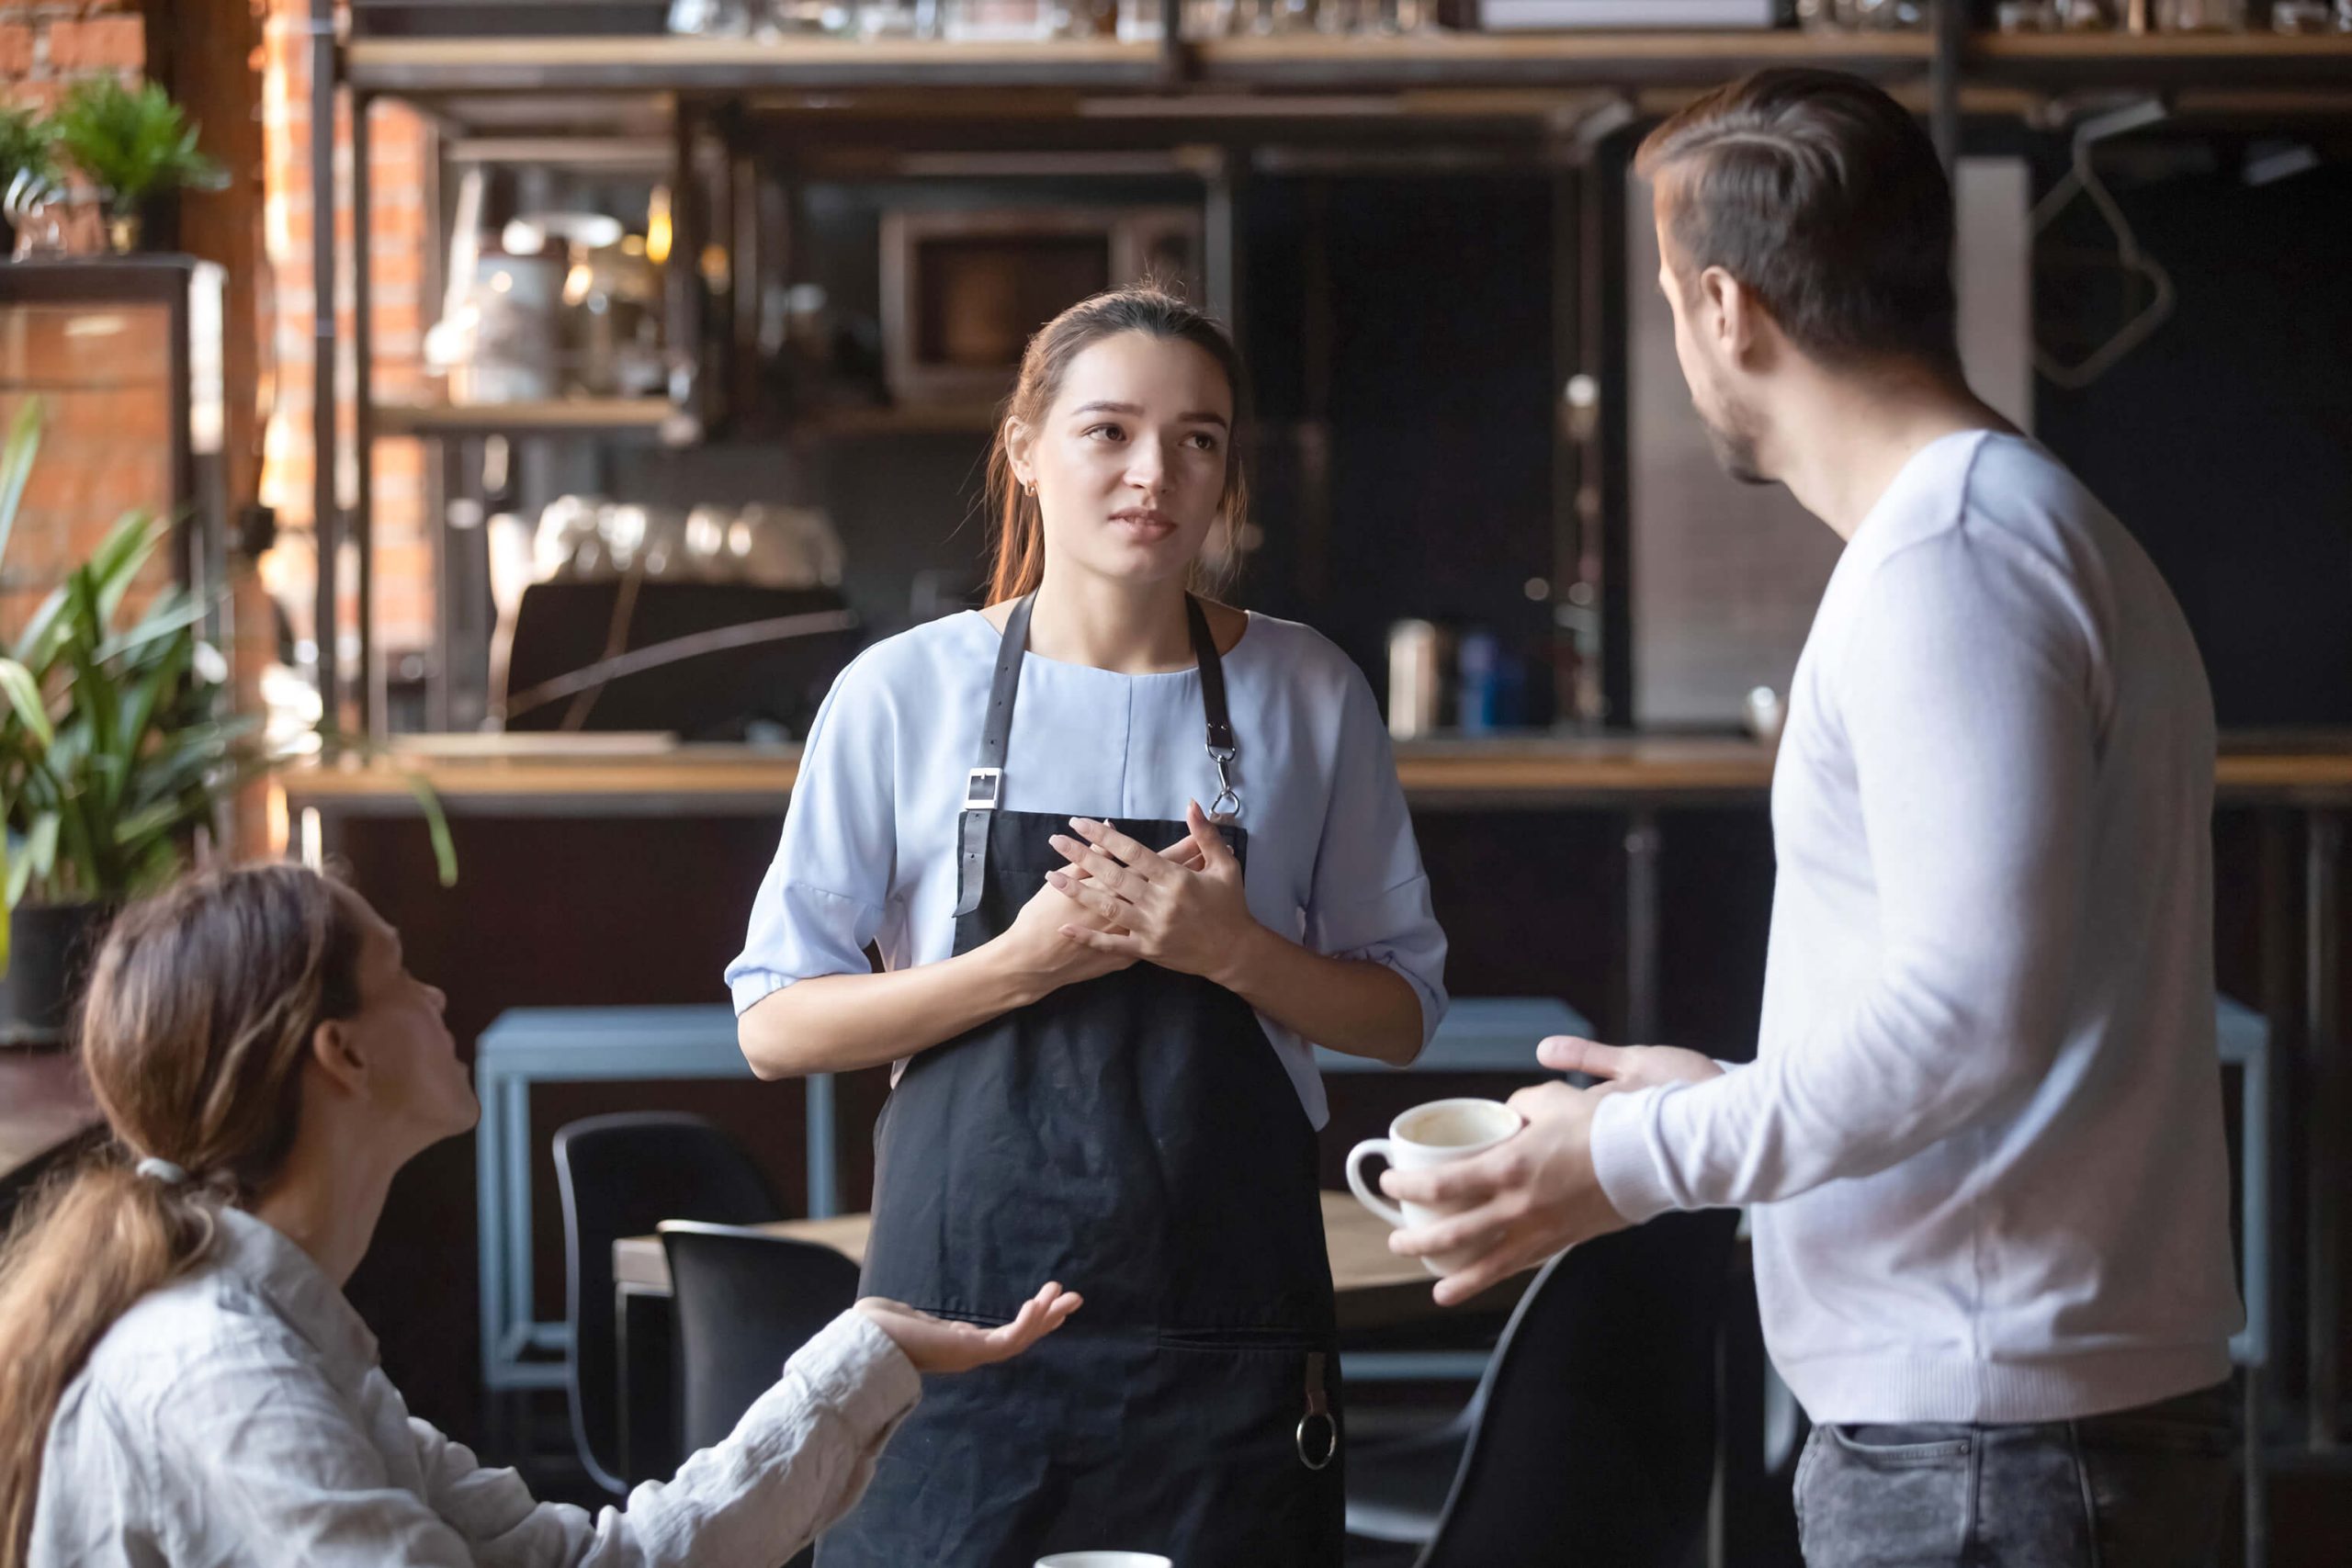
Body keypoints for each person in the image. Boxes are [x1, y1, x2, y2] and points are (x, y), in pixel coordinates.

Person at [1383, 69, 2242, 1567]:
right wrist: (1725, 1089)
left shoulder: (1952, 560)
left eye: (1665, 296)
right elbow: (1986, 1008)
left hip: (1990, 1447)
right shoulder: (2011, 526)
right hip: (2014, 1426)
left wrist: (1629, 1154)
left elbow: (1969, 1023)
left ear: (1726, 309)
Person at [729, 284, 1447, 1567]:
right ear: (1026, 447)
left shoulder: (1308, 689)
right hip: (952, 1339)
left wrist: (1232, 949)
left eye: (1199, 438)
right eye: (1108, 431)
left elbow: (1398, 1013)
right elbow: (777, 1024)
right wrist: (1015, 965)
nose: (1153, 474)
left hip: (1230, 1339)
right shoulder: (902, 693)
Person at [0, 862, 1080, 1568]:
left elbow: (595, 1562)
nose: (435, 999)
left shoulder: (282, 1342)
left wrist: (865, 1351)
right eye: (400, 976)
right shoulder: (222, 1380)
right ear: (343, 1054)